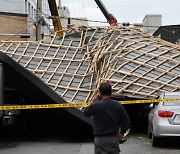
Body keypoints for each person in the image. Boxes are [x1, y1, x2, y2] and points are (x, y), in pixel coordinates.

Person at [84, 82, 130, 154]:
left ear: (100, 93)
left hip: (100, 139)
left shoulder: (95, 105)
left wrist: (93, 101)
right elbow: (126, 121)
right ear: (111, 92)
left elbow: (86, 113)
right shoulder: (118, 105)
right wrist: (122, 133)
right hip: (113, 138)